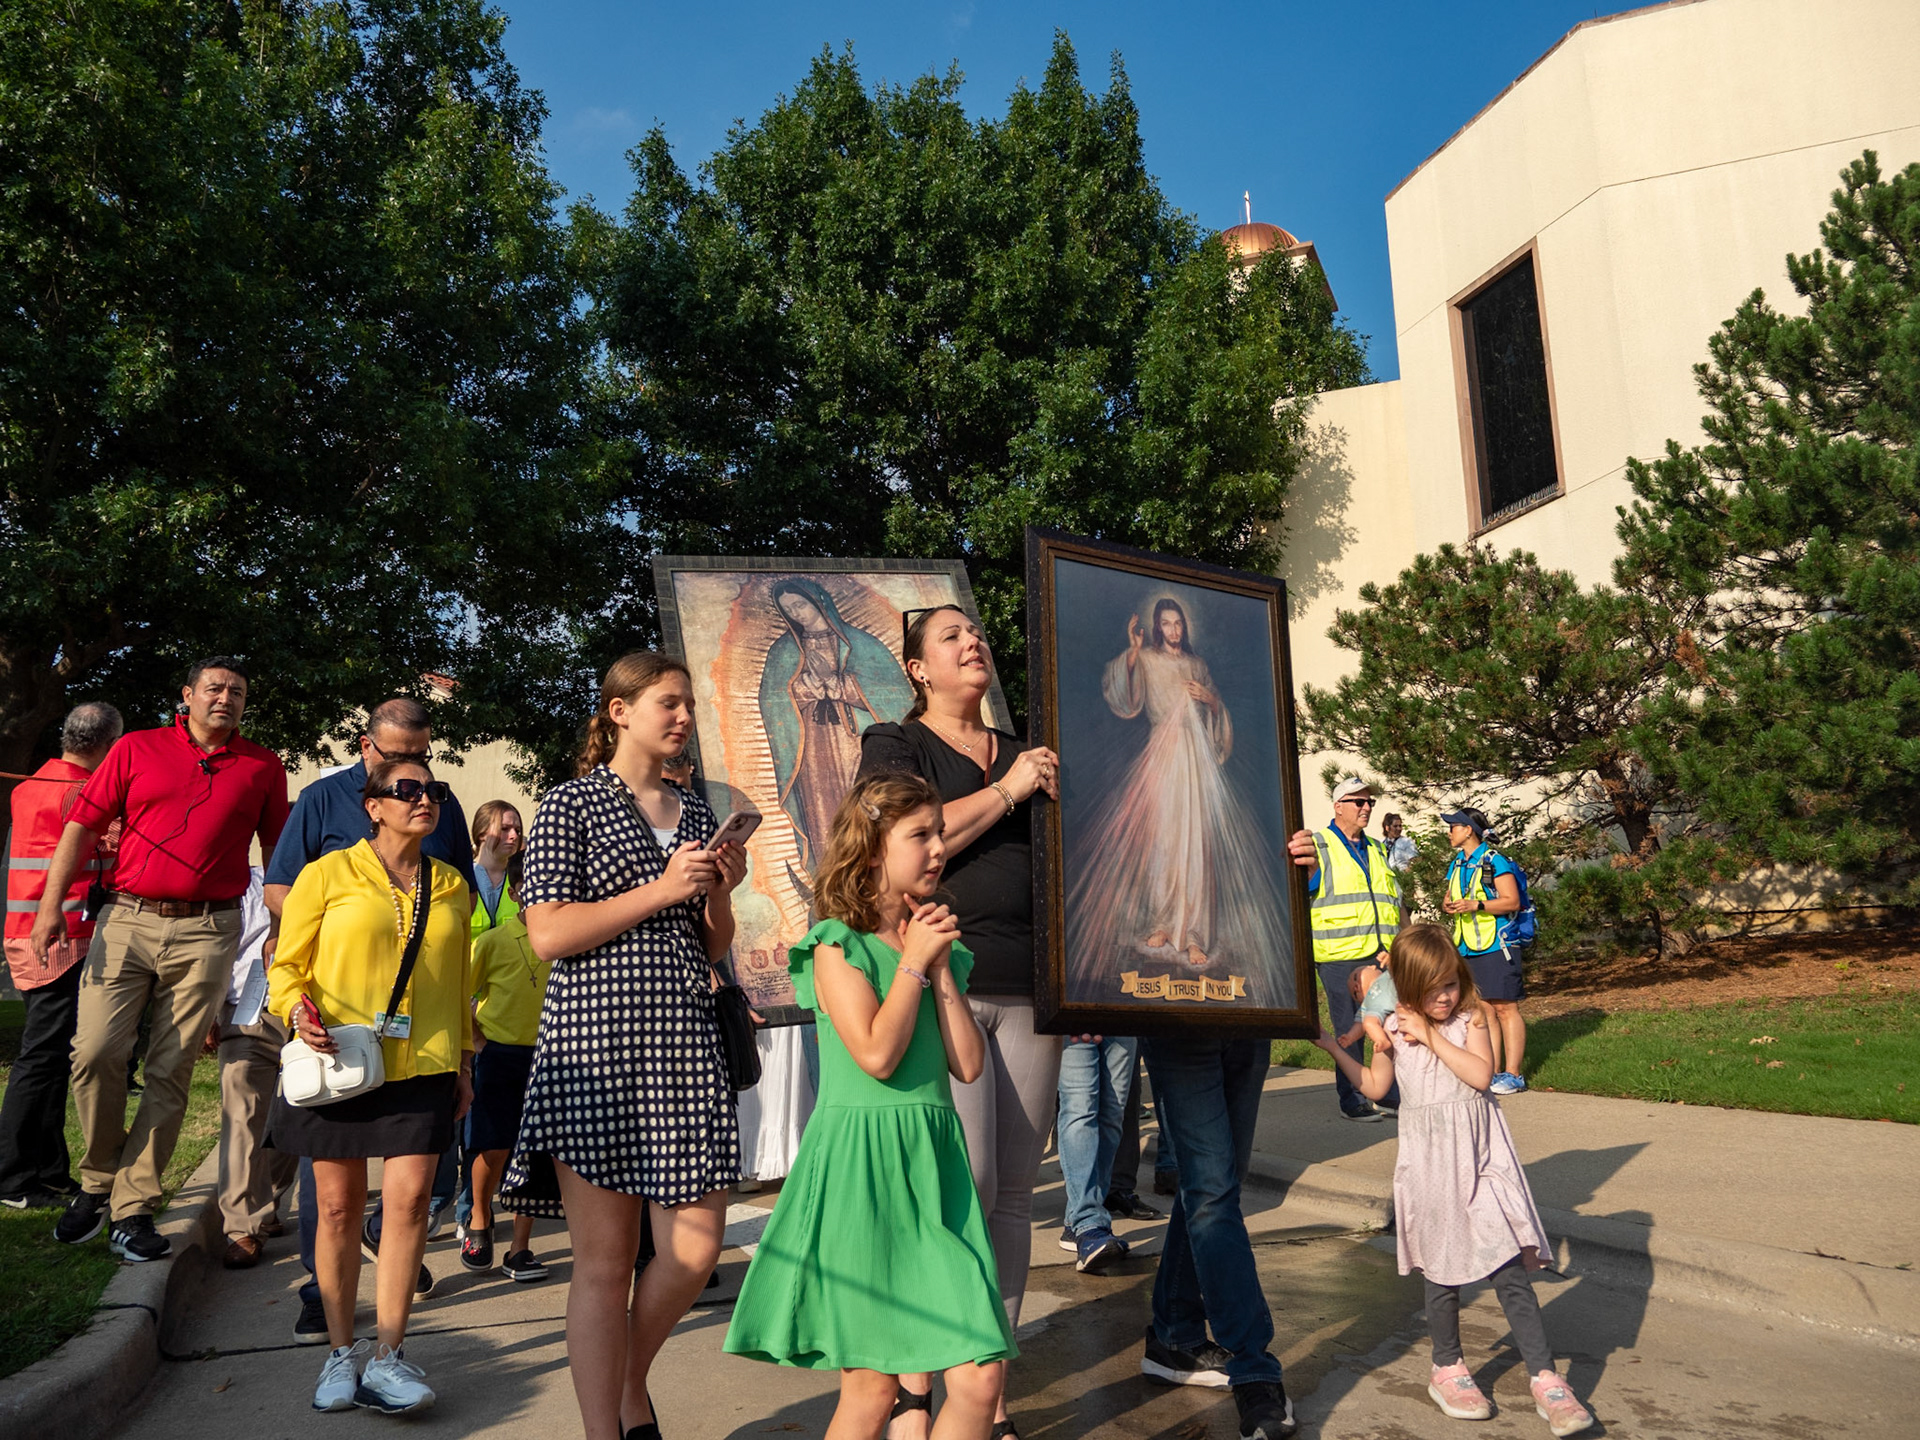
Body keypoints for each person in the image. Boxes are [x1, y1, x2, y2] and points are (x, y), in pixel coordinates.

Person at [501, 651, 747, 1440]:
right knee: (604, 1269)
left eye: (685, 706)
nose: (681, 718)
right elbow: (548, 934)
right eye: (666, 704)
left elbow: (708, 948)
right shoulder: (570, 804)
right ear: (618, 712)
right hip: (594, 1051)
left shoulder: (698, 813)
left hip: (683, 1042)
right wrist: (664, 888)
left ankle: (627, 1380)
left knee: (697, 1246)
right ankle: (605, 1428)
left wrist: (719, 895)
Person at [724, 774, 1010, 1438]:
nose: (939, 847)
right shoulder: (834, 944)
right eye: (921, 835)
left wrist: (938, 968)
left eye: (941, 832)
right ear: (874, 849)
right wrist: (914, 962)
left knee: (978, 1373)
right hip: (863, 1171)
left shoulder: (935, 944)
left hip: (933, 1167)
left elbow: (968, 1064)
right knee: (874, 1388)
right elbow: (877, 1056)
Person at [854, 603, 1059, 1440]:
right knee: (963, 1187)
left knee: (1014, 1194)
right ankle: (918, 1383)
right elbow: (906, 837)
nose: (972, 643)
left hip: (1033, 989)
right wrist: (1008, 794)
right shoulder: (895, 745)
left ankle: (987, 1391)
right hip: (946, 980)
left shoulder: (1027, 750)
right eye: (950, 637)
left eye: (976, 635)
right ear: (916, 669)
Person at [31, 658, 288, 1262]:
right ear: (188, 695)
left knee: (171, 1070)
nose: (225, 698)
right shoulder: (135, 749)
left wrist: (279, 928)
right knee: (94, 1053)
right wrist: (50, 909)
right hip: (126, 918)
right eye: (215, 688)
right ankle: (98, 1180)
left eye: (238, 692)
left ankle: (132, 1206)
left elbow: (277, 850)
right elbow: (82, 826)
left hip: (210, 927)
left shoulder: (262, 765)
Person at [1311, 925, 1593, 1436]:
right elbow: (1376, 1086)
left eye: (1451, 984)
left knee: (1508, 1269)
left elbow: (1482, 1076)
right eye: (1433, 989)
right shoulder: (1392, 1031)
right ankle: (1448, 1369)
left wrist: (1433, 1034)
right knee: (1443, 1273)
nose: (1445, 996)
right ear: (1408, 990)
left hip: (1483, 1158)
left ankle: (1546, 1379)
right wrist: (1334, 1046)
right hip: (1431, 1163)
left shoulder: (1471, 1018)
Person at [264, 696, 477, 1341]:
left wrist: (467, 1055)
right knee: (333, 1203)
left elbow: (458, 953)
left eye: (429, 774)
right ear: (371, 785)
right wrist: (299, 1010)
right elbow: (285, 938)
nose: (423, 790)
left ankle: (390, 1340)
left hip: (423, 1056)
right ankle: (329, 1322)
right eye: (403, 776)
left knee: (410, 1199)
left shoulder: (447, 861)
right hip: (342, 1053)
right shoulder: (323, 825)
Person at [1065, 598, 1292, 1003]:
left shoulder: (1198, 665)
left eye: (1178, 623)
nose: (1173, 630)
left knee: (1198, 845)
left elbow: (1218, 716)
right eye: (1165, 624)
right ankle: (1164, 922)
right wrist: (1133, 653)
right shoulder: (1147, 659)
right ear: (1156, 627)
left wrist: (1211, 700)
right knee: (1165, 841)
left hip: (1197, 757)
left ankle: (1195, 933)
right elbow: (1124, 698)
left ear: (1185, 626)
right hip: (1163, 755)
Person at [1137, 1031, 1297, 1440]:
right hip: (1175, 1016)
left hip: (1250, 1013)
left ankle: (1174, 1335)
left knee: (1215, 1185)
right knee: (1212, 1191)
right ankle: (1253, 1368)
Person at [0, 702, 123, 1210]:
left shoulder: (31, 785)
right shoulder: (81, 791)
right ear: (107, 744)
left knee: (48, 1059)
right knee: (42, 1058)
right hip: (64, 934)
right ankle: (13, 1178)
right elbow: (110, 852)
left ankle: (47, 1172)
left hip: (29, 930)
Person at [1286, 777, 1402, 1122]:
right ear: (1338, 807)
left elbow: (1394, 902)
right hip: (1338, 954)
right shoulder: (1318, 845)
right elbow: (1303, 894)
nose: (1366, 808)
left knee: (1389, 1024)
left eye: (1370, 803)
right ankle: (1352, 1099)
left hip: (1380, 953)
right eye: (1358, 802)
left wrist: (1398, 947)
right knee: (1350, 1028)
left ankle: (1386, 1093)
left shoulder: (1378, 848)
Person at [461, 873, 551, 1281]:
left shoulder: (566, 935)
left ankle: (521, 1247)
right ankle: (479, 1217)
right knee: (492, 1145)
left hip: (550, 1056)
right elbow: (462, 993)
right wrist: (478, 1042)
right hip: (500, 1055)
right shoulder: (494, 940)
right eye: (532, 885)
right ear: (515, 893)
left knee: (534, 1153)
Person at [215, 866, 297, 1267]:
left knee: (292, 1111)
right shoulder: (242, 884)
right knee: (243, 1109)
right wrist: (212, 1010)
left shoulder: (330, 877)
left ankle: (272, 1198)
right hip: (250, 1010)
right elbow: (219, 948)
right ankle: (243, 1227)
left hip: (310, 1009)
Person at [1441, 807, 1530, 1095]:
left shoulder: (1495, 860)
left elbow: (1512, 901)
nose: (1449, 832)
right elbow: (1450, 896)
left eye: (1454, 826)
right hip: (1468, 946)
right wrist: (1450, 905)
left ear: (1469, 830)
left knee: (1505, 1008)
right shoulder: (1457, 863)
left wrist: (1475, 905)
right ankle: (1491, 1071)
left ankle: (1514, 1074)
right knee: (1484, 1009)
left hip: (1498, 944)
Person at [1054, 1036, 1140, 1271]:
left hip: (1122, 1008)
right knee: (1080, 1109)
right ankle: (1089, 1223)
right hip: (1073, 1009)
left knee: (1113, 1114)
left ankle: (1077, 1222)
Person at [470, 800, 524, 938]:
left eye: (517, 830)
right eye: (504, 828)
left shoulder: (524, 880)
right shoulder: (460, 879)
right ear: (482, 833)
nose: (514, 836)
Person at [1332, 958, 1398, 1052]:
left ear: (1372, 967)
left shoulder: (1387, 975)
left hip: (1407, 996)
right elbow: (1360, 1024)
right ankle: (1382, 1040)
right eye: (1355, 993)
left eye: (1356, 977)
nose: (1356, 987)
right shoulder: (1366, 1004)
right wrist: (1350, 1037)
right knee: (1368, 1022)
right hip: (1381, 1010)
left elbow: (1402, 967)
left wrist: (1390, 960)